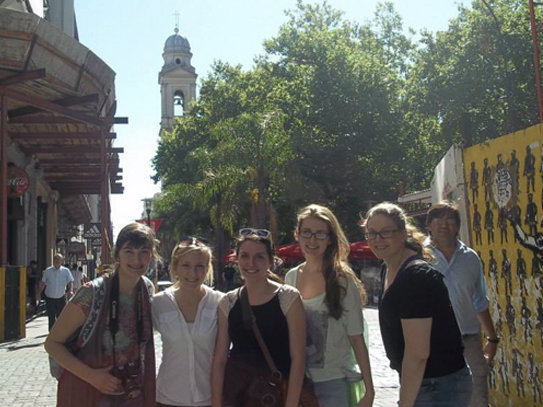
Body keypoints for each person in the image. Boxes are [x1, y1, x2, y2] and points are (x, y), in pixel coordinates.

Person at [364, 202, 471, 407]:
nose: (378, 239)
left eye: (386, 232)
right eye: (372, 233)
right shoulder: (390, 268)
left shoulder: (414, 278)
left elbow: (418, 353)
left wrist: (405, 403)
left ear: (403, 233)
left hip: (438, 384)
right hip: (424, 380)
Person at [44, 223, 157, 406]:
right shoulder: (91, 293)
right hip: (87, 392)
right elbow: (52, 344)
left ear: (151, 255)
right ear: (117, 253)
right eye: (129, 251)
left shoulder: (147, 289)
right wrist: (93, 377)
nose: (137, 260)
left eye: (143, 252)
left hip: (130, 393)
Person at [284, 204, 374, 407]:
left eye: (320, 234)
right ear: (297, 234)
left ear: (330, 238)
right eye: (306, 232)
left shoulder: (343, 280)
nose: (312, 240)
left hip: (333, 383)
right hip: (299, 383)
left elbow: (356, 337)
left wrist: (369, 389)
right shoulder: (291, 278)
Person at [211, 228, 306, 407]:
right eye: (245, 256)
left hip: (277, 396)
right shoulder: (228, 302)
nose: (251, 263)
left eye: (259, 257)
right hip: (239, 397)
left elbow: (298, 359)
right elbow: (220, 359)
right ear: (236, 259)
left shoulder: (288, 298)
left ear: (270, 261)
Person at [425, 201, 499, 407]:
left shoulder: (471, 258)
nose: (444, 224)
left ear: (457, 226)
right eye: (438, 219)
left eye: (450, 219)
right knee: (438, 396)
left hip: (468, 340)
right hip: (431, 341)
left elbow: (479, 300)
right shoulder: (419, 257)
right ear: (429, 225)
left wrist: (492, 338)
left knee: (477, 396)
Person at [152, 237, 224, 407]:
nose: (192, 273)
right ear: (175, 267)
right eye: (186, 266)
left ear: (207, 269)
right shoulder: (158, 303)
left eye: (199, 266)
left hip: (209, 398)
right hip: (167, 397)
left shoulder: (219, 302)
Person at [38, 253, 74, 331]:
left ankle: (60, 332)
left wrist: (70, 291)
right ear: (53, 260)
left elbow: (70, 282)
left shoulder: (66, 271)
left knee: (61, 316)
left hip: (61, 297)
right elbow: (43, 283)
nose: (57, 261)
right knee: (51, 316)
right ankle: (51, 333)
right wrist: (38, 293)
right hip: (49, 298)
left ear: (62, 261)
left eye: (58, 259)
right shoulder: (48, 271)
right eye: (55, 259)